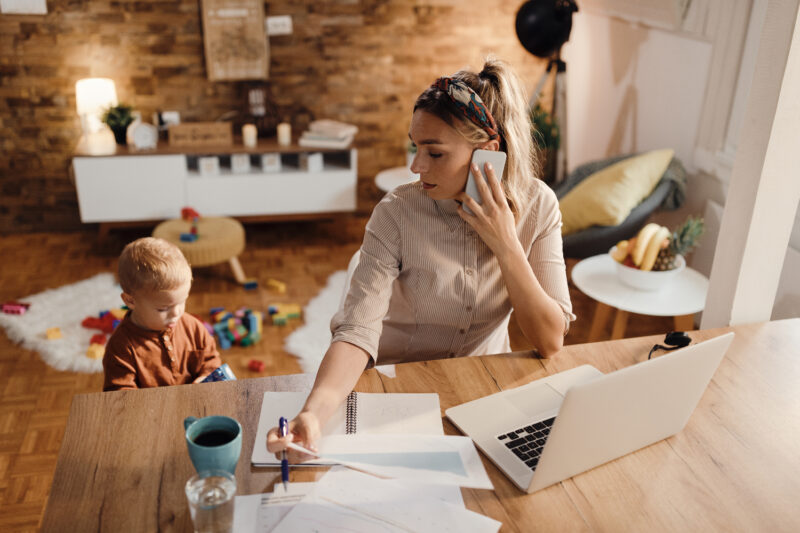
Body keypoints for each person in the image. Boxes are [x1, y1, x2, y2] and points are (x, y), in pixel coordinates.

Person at [268, 57, 575, 460]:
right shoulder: (396, 212)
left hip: (481, 389)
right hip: (397, 385)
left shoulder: (539, 206)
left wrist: (505, 242)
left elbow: (550, 340)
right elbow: (356, 332)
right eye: (416, 147)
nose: (416, 166)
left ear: (488, 154)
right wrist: (312, 413)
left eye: (435, 153)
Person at [103, 237, 221, 391]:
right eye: (163, 309)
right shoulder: (121, 347)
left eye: (181, 302)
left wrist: (204, 378)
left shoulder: (193, 327)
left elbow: (211, 361)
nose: (176, 313)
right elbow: (119, 394)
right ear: (130, 301)